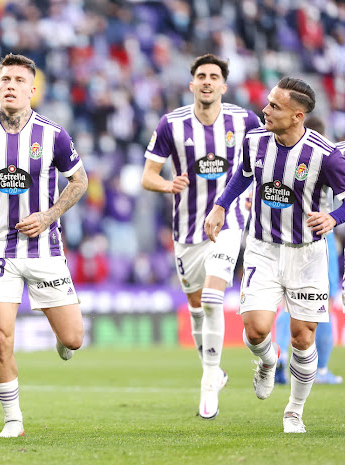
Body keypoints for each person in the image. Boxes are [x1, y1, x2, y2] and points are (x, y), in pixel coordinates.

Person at [0, 53, 88, 438]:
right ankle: (13, 419)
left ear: (32, 89)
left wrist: (47, 216)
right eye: (5, 79)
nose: (11, 85)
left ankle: (62, 342)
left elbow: (79, 181)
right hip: (0, 252)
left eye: (18, 80)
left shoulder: (53, 134)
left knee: (74, 339)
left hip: (45, 249)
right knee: (0, 336)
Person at [205, 77, 345, 433]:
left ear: (298, 116)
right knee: (255, 331)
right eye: (267, 102)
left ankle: (294, 410)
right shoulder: (255, 141)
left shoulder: (325, 155)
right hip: (263, 249)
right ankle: (268, 362)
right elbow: (244, 175)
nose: (265, 111)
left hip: (308, 256)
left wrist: (333, 217)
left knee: (302, 337)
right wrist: (221, 205)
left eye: (275, 107)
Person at [141, 54, 261, 420]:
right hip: (186, 231)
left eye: (214, 76)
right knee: (196, 309)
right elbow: (148, 176)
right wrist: (167, 184)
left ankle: (209, 380)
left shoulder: (244, 121)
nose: (207, 81)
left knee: (212, 297)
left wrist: (257, 189)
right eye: (201, 76)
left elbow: (266, 160)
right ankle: (214, 368)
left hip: (228, 222)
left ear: (223, 86)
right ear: (192, 84)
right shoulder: (171, 124)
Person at [272, 116, 343, 385]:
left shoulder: (282, 157)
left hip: (281, 237)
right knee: (320, 304)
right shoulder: (329, 156)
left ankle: (278, 357)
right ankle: (321, 370)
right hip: (318, 238)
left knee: (289, 303)